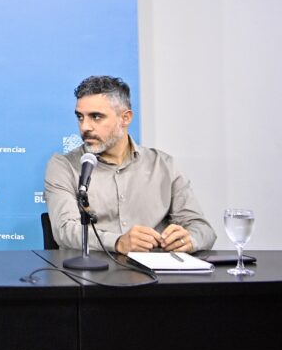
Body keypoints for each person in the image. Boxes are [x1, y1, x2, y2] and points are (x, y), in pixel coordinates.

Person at [44, 75, 215, 253]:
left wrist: (189, 240)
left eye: (96, 117)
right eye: (80, 117)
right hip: (94, 269)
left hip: (157, 269)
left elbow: (203, 229)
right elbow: (65, 231)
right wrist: (118, 242)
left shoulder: (164, 165)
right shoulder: (64, 166)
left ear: (125, 118)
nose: (85, 127)